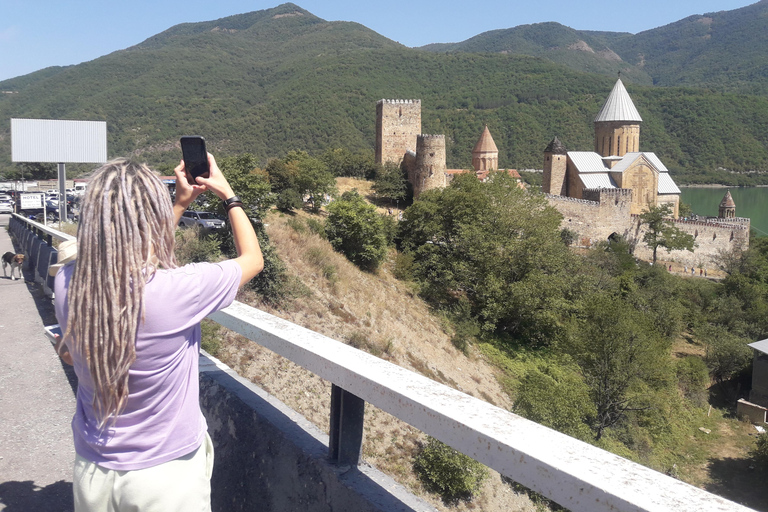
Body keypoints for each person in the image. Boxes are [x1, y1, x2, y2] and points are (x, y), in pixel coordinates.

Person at [53, 154, 263, 512]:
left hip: (94, 469)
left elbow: (128, 259)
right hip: (166, 476)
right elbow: (253, 258)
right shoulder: (179, 291)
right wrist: (229, 195)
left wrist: (180, 204)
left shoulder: (68, 282)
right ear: (151, 218)